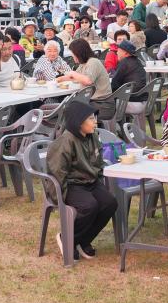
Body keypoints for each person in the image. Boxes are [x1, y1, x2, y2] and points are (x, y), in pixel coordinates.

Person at [45, 100, 118, 261]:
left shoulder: (92, 136)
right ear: (78, 122)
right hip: (71, 184)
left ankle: (83, 240)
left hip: (90, 182)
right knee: (89, 206)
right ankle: (67, 238)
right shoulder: (66, 141)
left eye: (94, 118)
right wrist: (60, 199)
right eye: (91, 119)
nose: (95, 122)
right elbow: (57, 172)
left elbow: (97, 162)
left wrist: (98, 180)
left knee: (110, 203)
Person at [63, 39, 114, 118]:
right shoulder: (84, 64)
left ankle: (66, 130)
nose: (72, 55)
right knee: (67, 108)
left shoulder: (93, 62)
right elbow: (74, 77)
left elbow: (88, 80)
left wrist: (72, 73)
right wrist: (58, 80)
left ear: (78, 53)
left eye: (72, 53)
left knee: (68, 111)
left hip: (102, 105)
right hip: (93, 103)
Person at [109, 40, 148, 123]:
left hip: (133, 102)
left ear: (126, 53)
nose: (117, 53)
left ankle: (113, 130)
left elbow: (114, 84)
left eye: (118, 51)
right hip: (142, 100)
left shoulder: (125, 62)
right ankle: (121, 128)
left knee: (104, 104)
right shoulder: (137, 61)